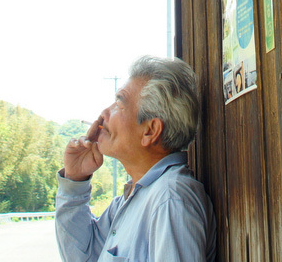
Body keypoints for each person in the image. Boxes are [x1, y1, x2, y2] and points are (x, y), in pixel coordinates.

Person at [55, 55, 216, 262]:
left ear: (150, 131)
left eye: (119, 105)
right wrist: (75, 179)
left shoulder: (170, 200)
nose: (104, 113)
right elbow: (81, 257)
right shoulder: (131, 199)